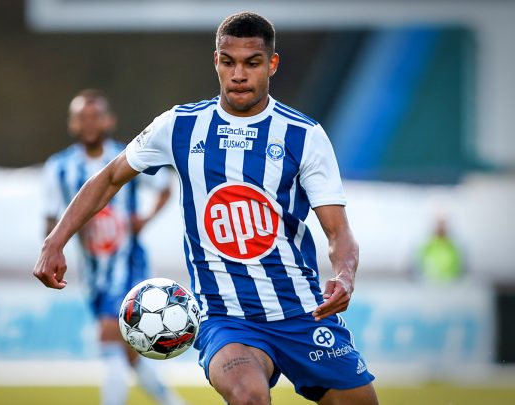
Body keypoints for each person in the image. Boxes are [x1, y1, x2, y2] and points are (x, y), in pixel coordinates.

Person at [35, 13, 378, 405]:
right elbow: (110, 177)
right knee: (249, 396)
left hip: (302, 313)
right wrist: (55, 240)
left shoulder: (304, 136)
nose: (239, 75)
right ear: (216, 61)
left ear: (272, 64)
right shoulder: (180, 126)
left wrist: (346, 275)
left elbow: (338, 232)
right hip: (226, 317)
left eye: (252, 63)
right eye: (228, 62)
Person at [41, 89, 183, 405]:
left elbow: (164, 187)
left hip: (128, 263)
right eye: (81, 117)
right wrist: (54, 246)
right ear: (72, 124)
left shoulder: (127, 156)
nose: (89, 123)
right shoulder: (59, 168)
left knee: (108, 336)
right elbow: (50, 219)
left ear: (109, 121)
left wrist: (144, 220)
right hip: (93, 272)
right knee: (129, 354)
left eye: (95, 116)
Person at [416, 216, 463, 283]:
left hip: (450, 283)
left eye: (443, 225)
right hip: (429, 283)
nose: (441, 228)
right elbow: (419, 265)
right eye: (438, 225)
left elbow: (459, 267)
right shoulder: (427, 246)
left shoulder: (453, 247)